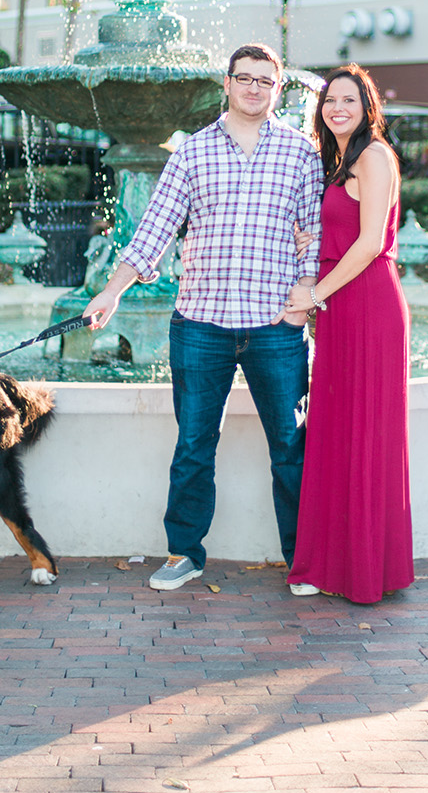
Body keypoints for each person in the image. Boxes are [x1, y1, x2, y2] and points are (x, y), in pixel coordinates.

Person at [84, 43, 323, 593]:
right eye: (246, 78)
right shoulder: (191, 153)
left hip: (275, 328)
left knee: (290, 446)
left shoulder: (301, 154)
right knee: (194, 445)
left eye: (266, 81)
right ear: (228, 83)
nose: (255, 88)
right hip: (200, 326)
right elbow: (154, 232)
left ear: (278, 88)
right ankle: (183, 553)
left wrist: (304, 294)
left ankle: (302, 560)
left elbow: (314, 236)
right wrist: (113, 291)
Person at [279, 63, 414, 604]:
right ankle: (328, 564)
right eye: (330, 100)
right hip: (340, 306)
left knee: (364, 435)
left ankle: (364, 570)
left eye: (349, 100)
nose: (337, 108)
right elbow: (341, 234)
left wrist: (313, 294)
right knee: (334, 433)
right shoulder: (340, 163)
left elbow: (370, 243)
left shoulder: (375, 155)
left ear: (367, 107)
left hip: (368, 306)